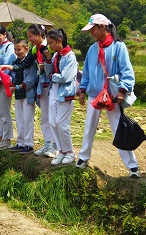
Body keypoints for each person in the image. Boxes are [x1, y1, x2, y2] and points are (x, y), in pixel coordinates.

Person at [77, 14, 139, 176]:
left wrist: (122, 90)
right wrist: (83, 90)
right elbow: (87, 72)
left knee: (118, 128)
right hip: (94, 94)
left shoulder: (119, 47)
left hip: (112, 95)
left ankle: (132, 166)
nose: (92, 33)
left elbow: (127, 71)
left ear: (103, 27)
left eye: (93, 29)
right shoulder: (92, 49)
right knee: (89, 126)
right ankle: (83, 158)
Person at [0, 38, 37, 154]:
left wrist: (17, 87)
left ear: (26, 49)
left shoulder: (30, 63)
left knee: (27, 119)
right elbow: (13, 76)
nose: (17, 52)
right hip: (18, 94)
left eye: (19, 49)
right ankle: (20, 143)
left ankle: (29, 144)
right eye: (15, 49)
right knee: (19, 119)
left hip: (27, 94)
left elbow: (31, 80)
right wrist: (9, 81)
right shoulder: (16, 62)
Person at [46, 28, 78, 165]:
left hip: (64, 92)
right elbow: (49, 73)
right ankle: (61, 150)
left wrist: (54, 76)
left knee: (62, 123)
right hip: (54, 90)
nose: (50, 46)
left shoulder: (70, 56)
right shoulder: (56, 56)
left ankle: (70, 151)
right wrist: (48, 61)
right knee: (53, 122)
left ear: (60, 41)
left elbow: (66, 76)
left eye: (51, 43)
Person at [27, 24, 57, 158]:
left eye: (31, 36)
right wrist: (12, 67)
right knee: (44, 116)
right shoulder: (35, 49)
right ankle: (47, 144)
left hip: (53, 85)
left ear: (39, 34)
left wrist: (45, 65)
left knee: (54, 117)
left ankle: (57, 147)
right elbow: (26, 63)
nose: (30, 39)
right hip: (42, 85)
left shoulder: (50, 48)